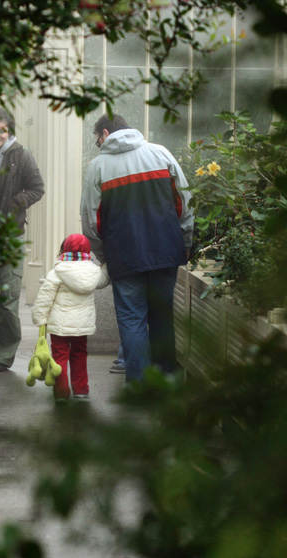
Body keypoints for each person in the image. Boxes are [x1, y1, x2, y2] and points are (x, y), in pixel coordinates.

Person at [81, 114, 194, 381]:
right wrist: (185, 243)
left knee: (132, 321)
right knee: (162, 316)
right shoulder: (161, 153)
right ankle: (166, 379)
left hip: (124, 256)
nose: (99, 146)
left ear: (105, 134)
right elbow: (185, 203)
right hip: (165, 252)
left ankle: (140, 387)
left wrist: (103, 256)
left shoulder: (98, 167)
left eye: (98, 141)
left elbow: (90, 219)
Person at [0, 107, 45, 372]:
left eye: (3, 130)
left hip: (9, 236)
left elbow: (37, 188)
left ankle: (1, 355)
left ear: (9, 130)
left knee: (7, 296)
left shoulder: (21, 155)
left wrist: (17, 201)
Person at [31, 234, 109, 402]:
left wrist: (40, 319)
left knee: (60, 356)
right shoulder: (94, 272)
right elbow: (103, 281)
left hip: (59, 325)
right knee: (79, 354)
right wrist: (105, 265)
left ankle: (61, 392)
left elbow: (45, 298)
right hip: (82, 325)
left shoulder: (57, 272)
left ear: (64, 249)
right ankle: (81, 389)